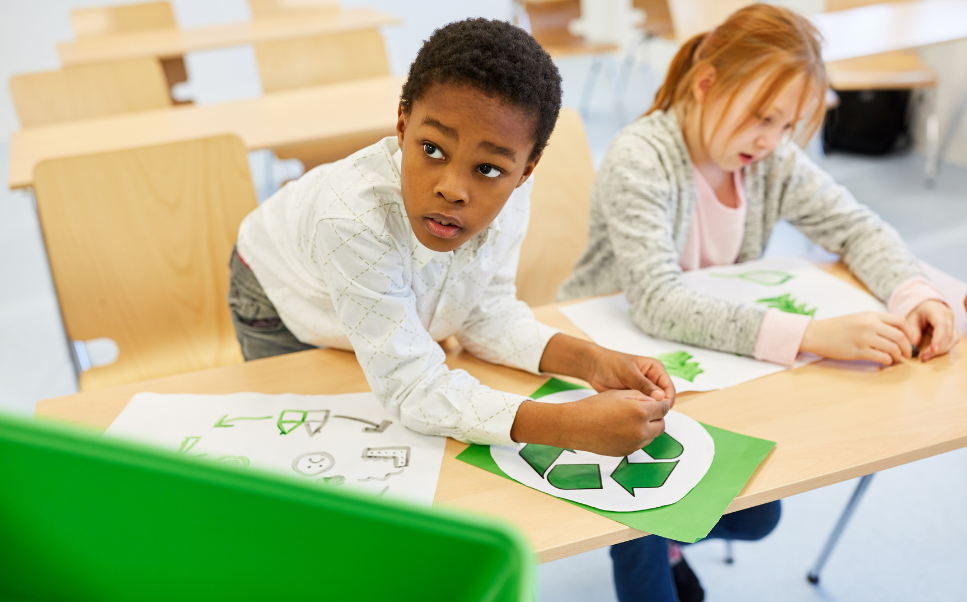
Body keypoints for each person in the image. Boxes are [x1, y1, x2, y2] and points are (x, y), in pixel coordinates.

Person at [557, 4, 956, 601]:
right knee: (646, 519)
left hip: (710, 356)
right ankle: (650, 542)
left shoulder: (769, 161)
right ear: (707, 84)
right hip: (613, 361)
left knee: (759, 515)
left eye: (788, 125)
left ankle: (664, 537)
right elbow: (658, 302)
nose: (771, 140)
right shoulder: (642, 156)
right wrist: (811, 334)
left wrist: (914, 292)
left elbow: (857, 228)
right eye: (760, 117)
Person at [228, 18, 675, 459]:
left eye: (488, 170)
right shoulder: (352, 218)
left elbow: (482, 313)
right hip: (281, 297)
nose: (453, 189)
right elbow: (412, 388)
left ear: (525, 171)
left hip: (373, 289)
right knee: (316, 449)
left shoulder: (511, 190)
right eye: (432, 149)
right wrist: (566, 424)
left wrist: (592, 361)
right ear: (402, 126)